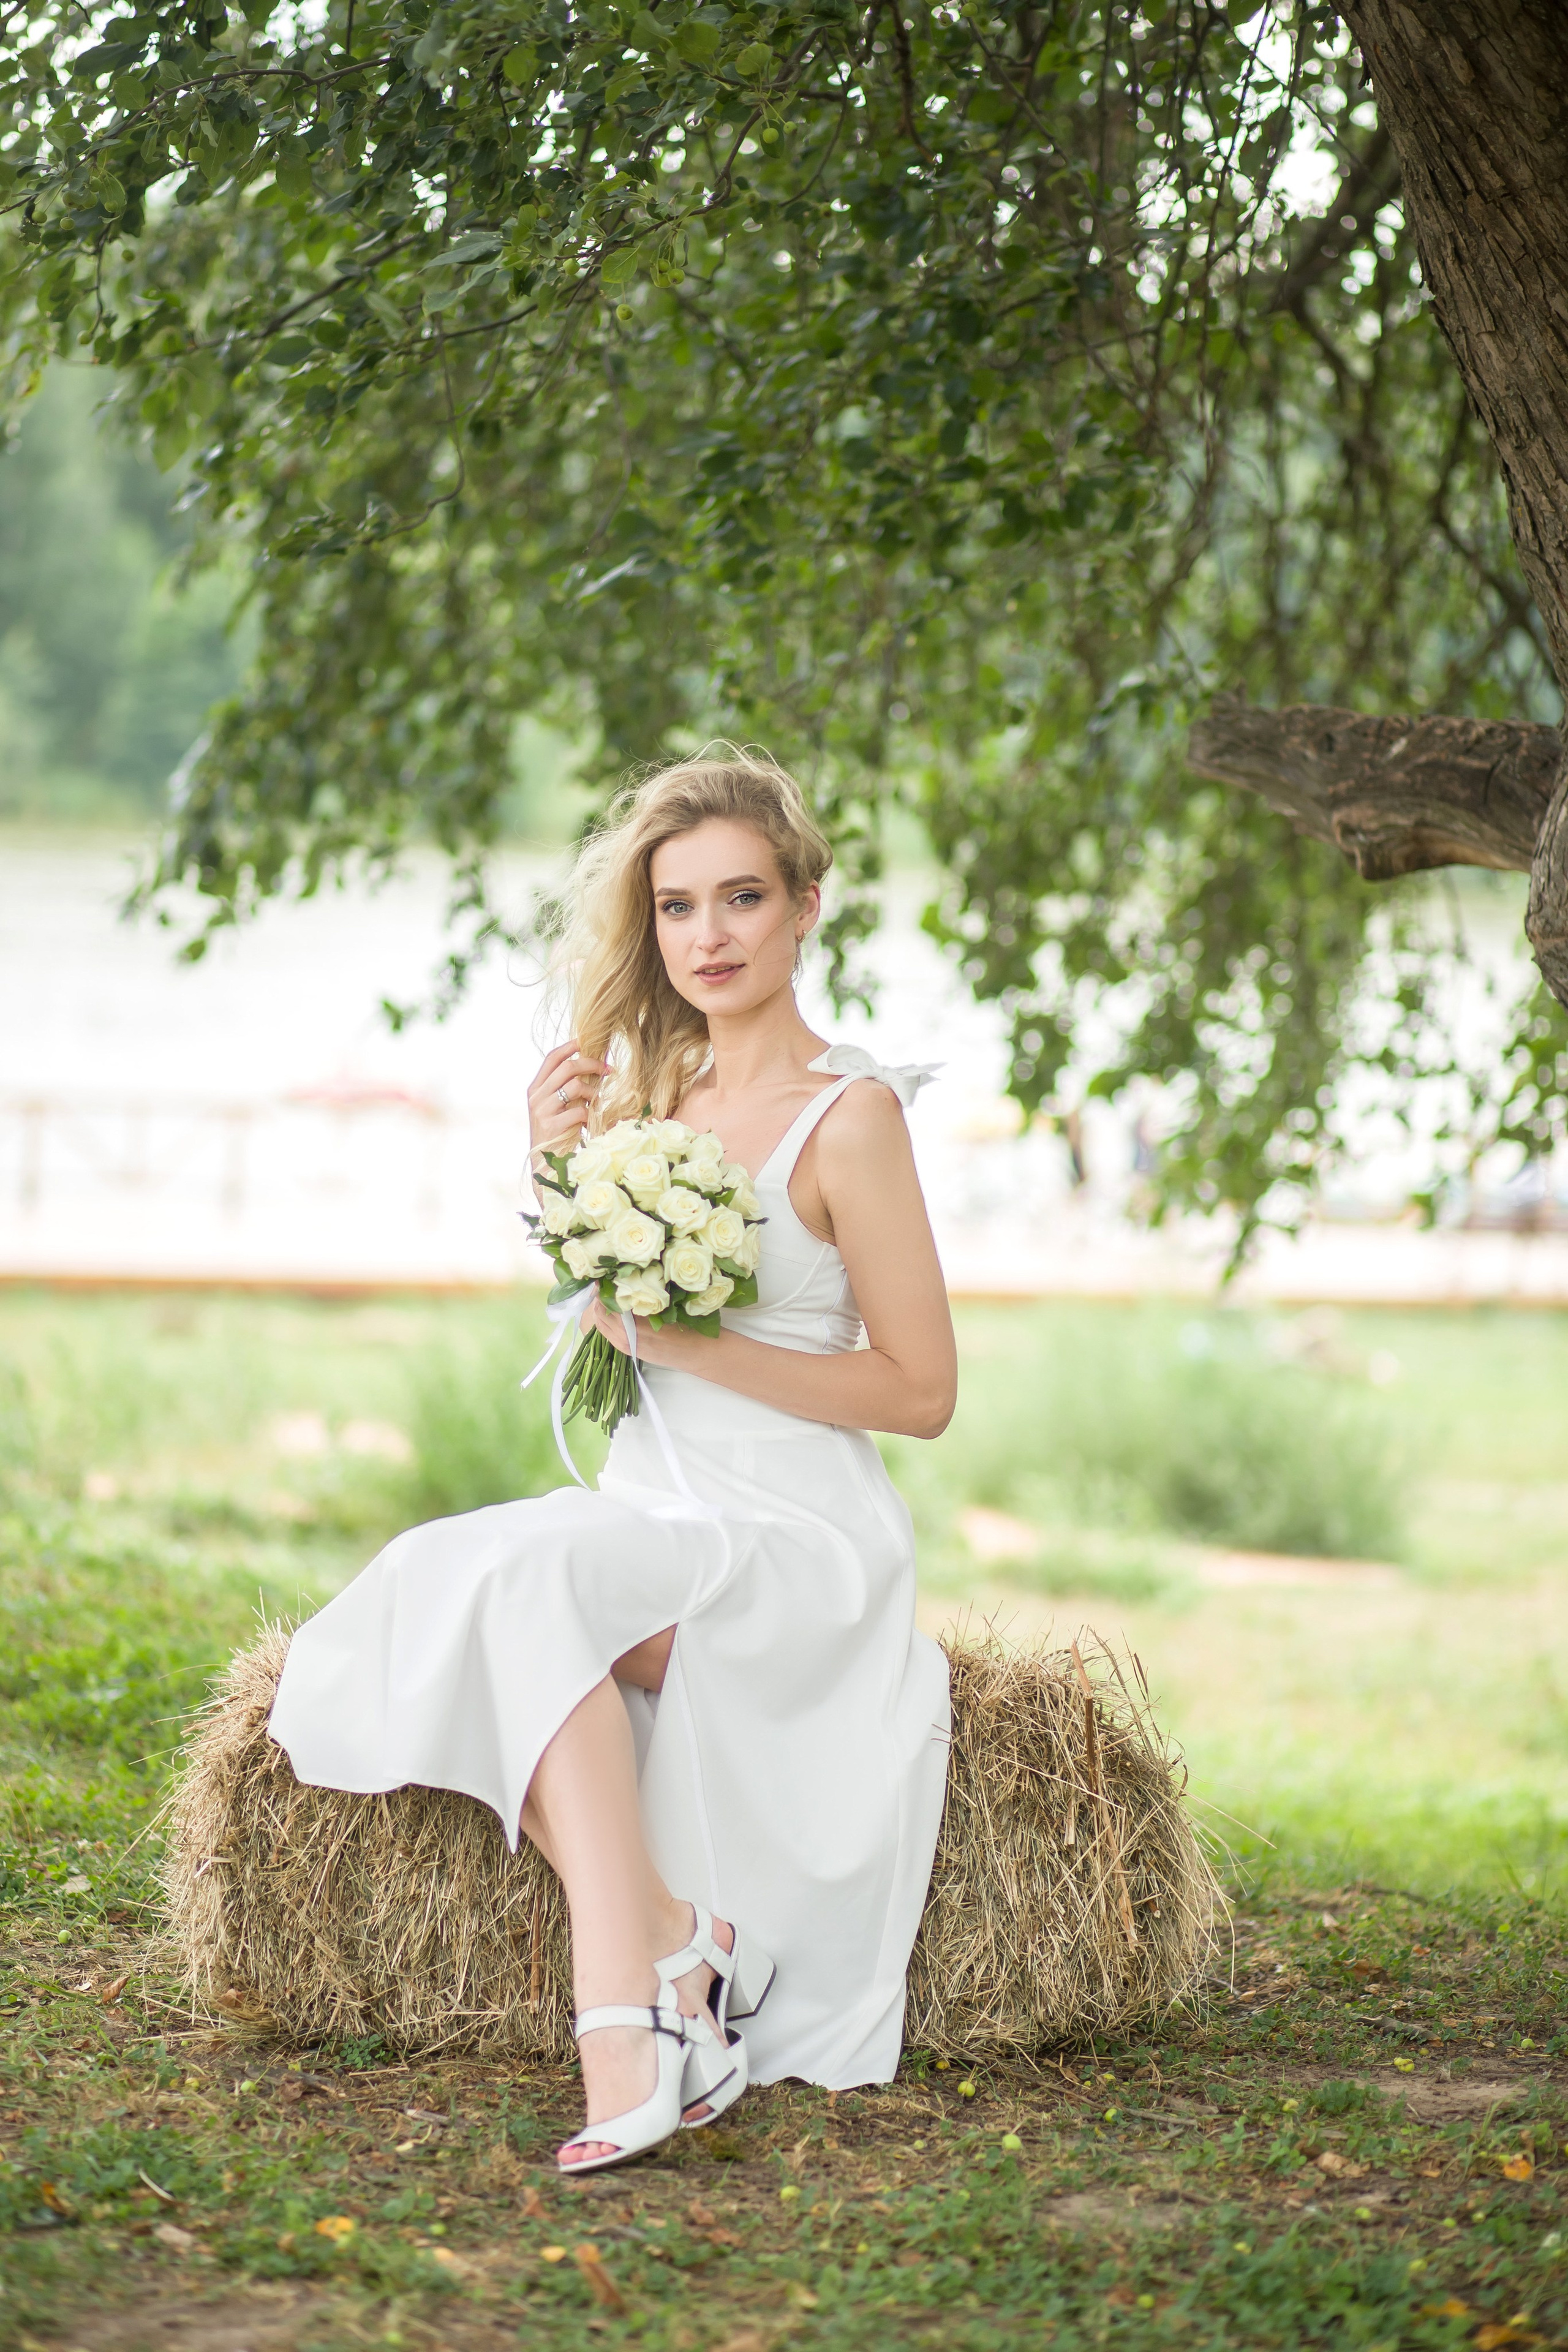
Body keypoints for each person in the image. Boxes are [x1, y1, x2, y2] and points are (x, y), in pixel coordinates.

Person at [268, 751, 956, 2172]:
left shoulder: (854, 1117)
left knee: (515, 1591)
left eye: (743, 898)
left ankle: (619, 2035)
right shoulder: (658, 1103)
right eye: (676, 908)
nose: (708, 936)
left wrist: (692, 1350)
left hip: (794, 1532)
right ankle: (672, 1944)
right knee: (442, 1574)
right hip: (658, 1502)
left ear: (806, 906)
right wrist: (555, 1176)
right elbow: (604, 1312)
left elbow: (922, 1391)